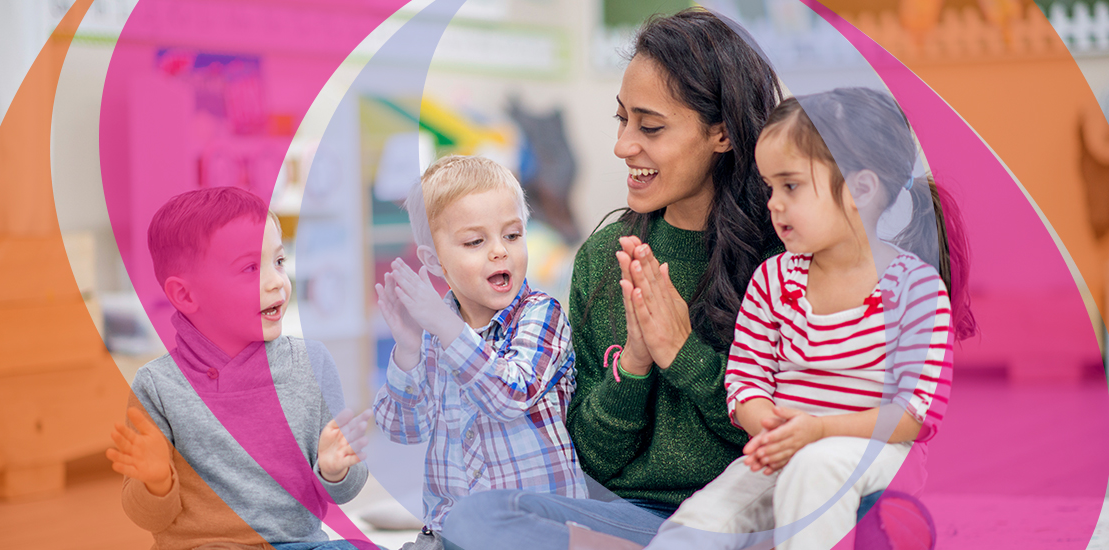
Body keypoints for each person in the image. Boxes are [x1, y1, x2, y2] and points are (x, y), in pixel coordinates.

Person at [443, 8, 784, 549]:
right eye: (622, 120)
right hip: (632, 519)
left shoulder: (780, 258)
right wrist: (636, 361)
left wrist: (683, 353)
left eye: (650, 127)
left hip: (747, 511)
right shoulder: (605, 258)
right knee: (474, 518)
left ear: (721, 132)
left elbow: (788, 438)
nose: (624, 145)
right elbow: (592, 459)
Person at [646, 87, 975, 550]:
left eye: (791, 185)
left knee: (814, 468)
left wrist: (818, 430)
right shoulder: (774, 280)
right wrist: (772, 428)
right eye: (770, 187)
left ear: (861, 189)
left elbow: (917, 414)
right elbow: (745, 381)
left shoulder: (915, 289)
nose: (773, 203)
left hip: (880, 452)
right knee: (706, 517)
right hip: (787, 442)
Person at [106, 187, 371, 550]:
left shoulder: (312, 364)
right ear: (185, 295)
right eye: (249, 268)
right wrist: (156, 482)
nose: (276, 281)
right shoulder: (158, 386)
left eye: (279, 261)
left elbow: (345, 491)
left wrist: (335, 469)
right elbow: (150, 518)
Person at [372, 155, 587, 550]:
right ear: (435, 262)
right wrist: (407, 350)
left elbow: (511, 394)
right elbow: (404, 428)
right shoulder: (437, 336)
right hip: (450, 533)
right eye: (475, 242)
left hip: (537, 530)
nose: (499, 252)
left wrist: (448, 330)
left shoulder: (541, 315)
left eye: (512, 235)